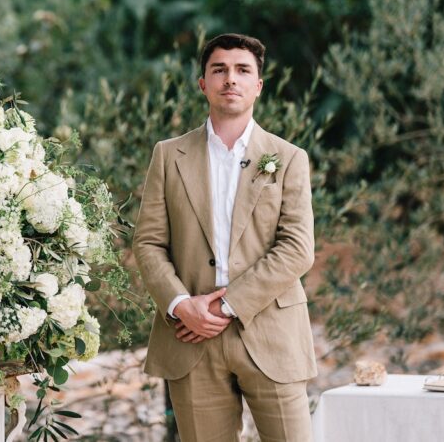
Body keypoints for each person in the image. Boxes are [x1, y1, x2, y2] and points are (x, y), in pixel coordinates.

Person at [133, 33, 317, 442]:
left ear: (258, 86)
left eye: (242, 70)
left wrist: (229, 304)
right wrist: (181, 305)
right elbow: (147, 243)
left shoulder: (288, 158)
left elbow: (297, 249)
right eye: (219, 70)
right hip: (190, 335)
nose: (230, 79)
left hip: (271, 332)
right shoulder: (168, 154)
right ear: (203, 83)